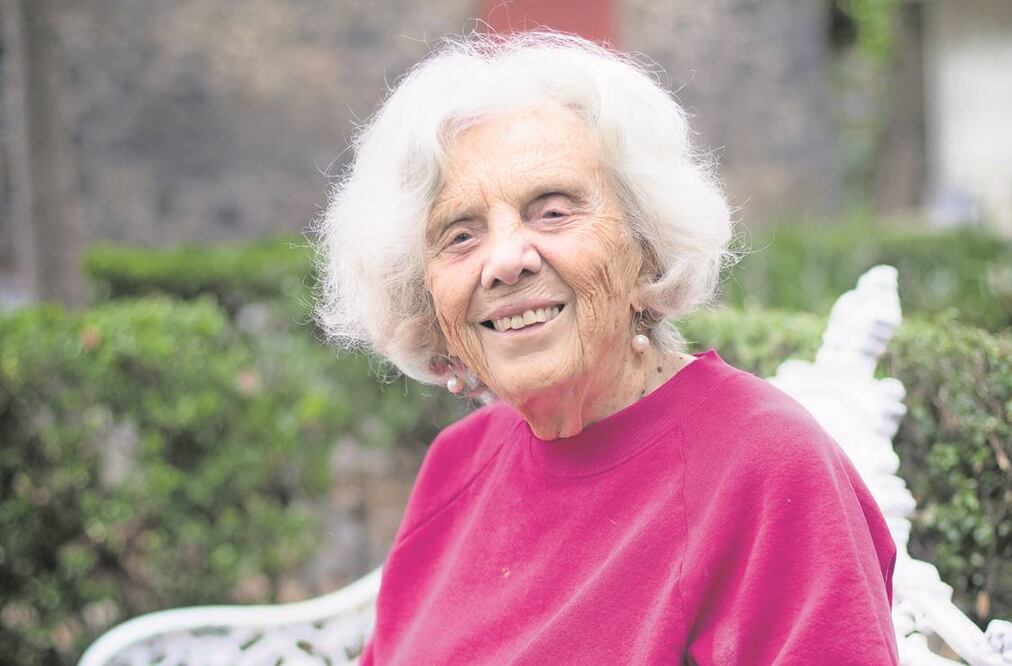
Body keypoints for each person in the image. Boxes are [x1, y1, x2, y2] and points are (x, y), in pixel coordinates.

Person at [311, 31, 899, 665]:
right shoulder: (456, 464)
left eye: (552, 211)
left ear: (645, 246)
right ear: (426, 296)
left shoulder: (763, 464)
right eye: (460, 235)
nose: (505, 261)